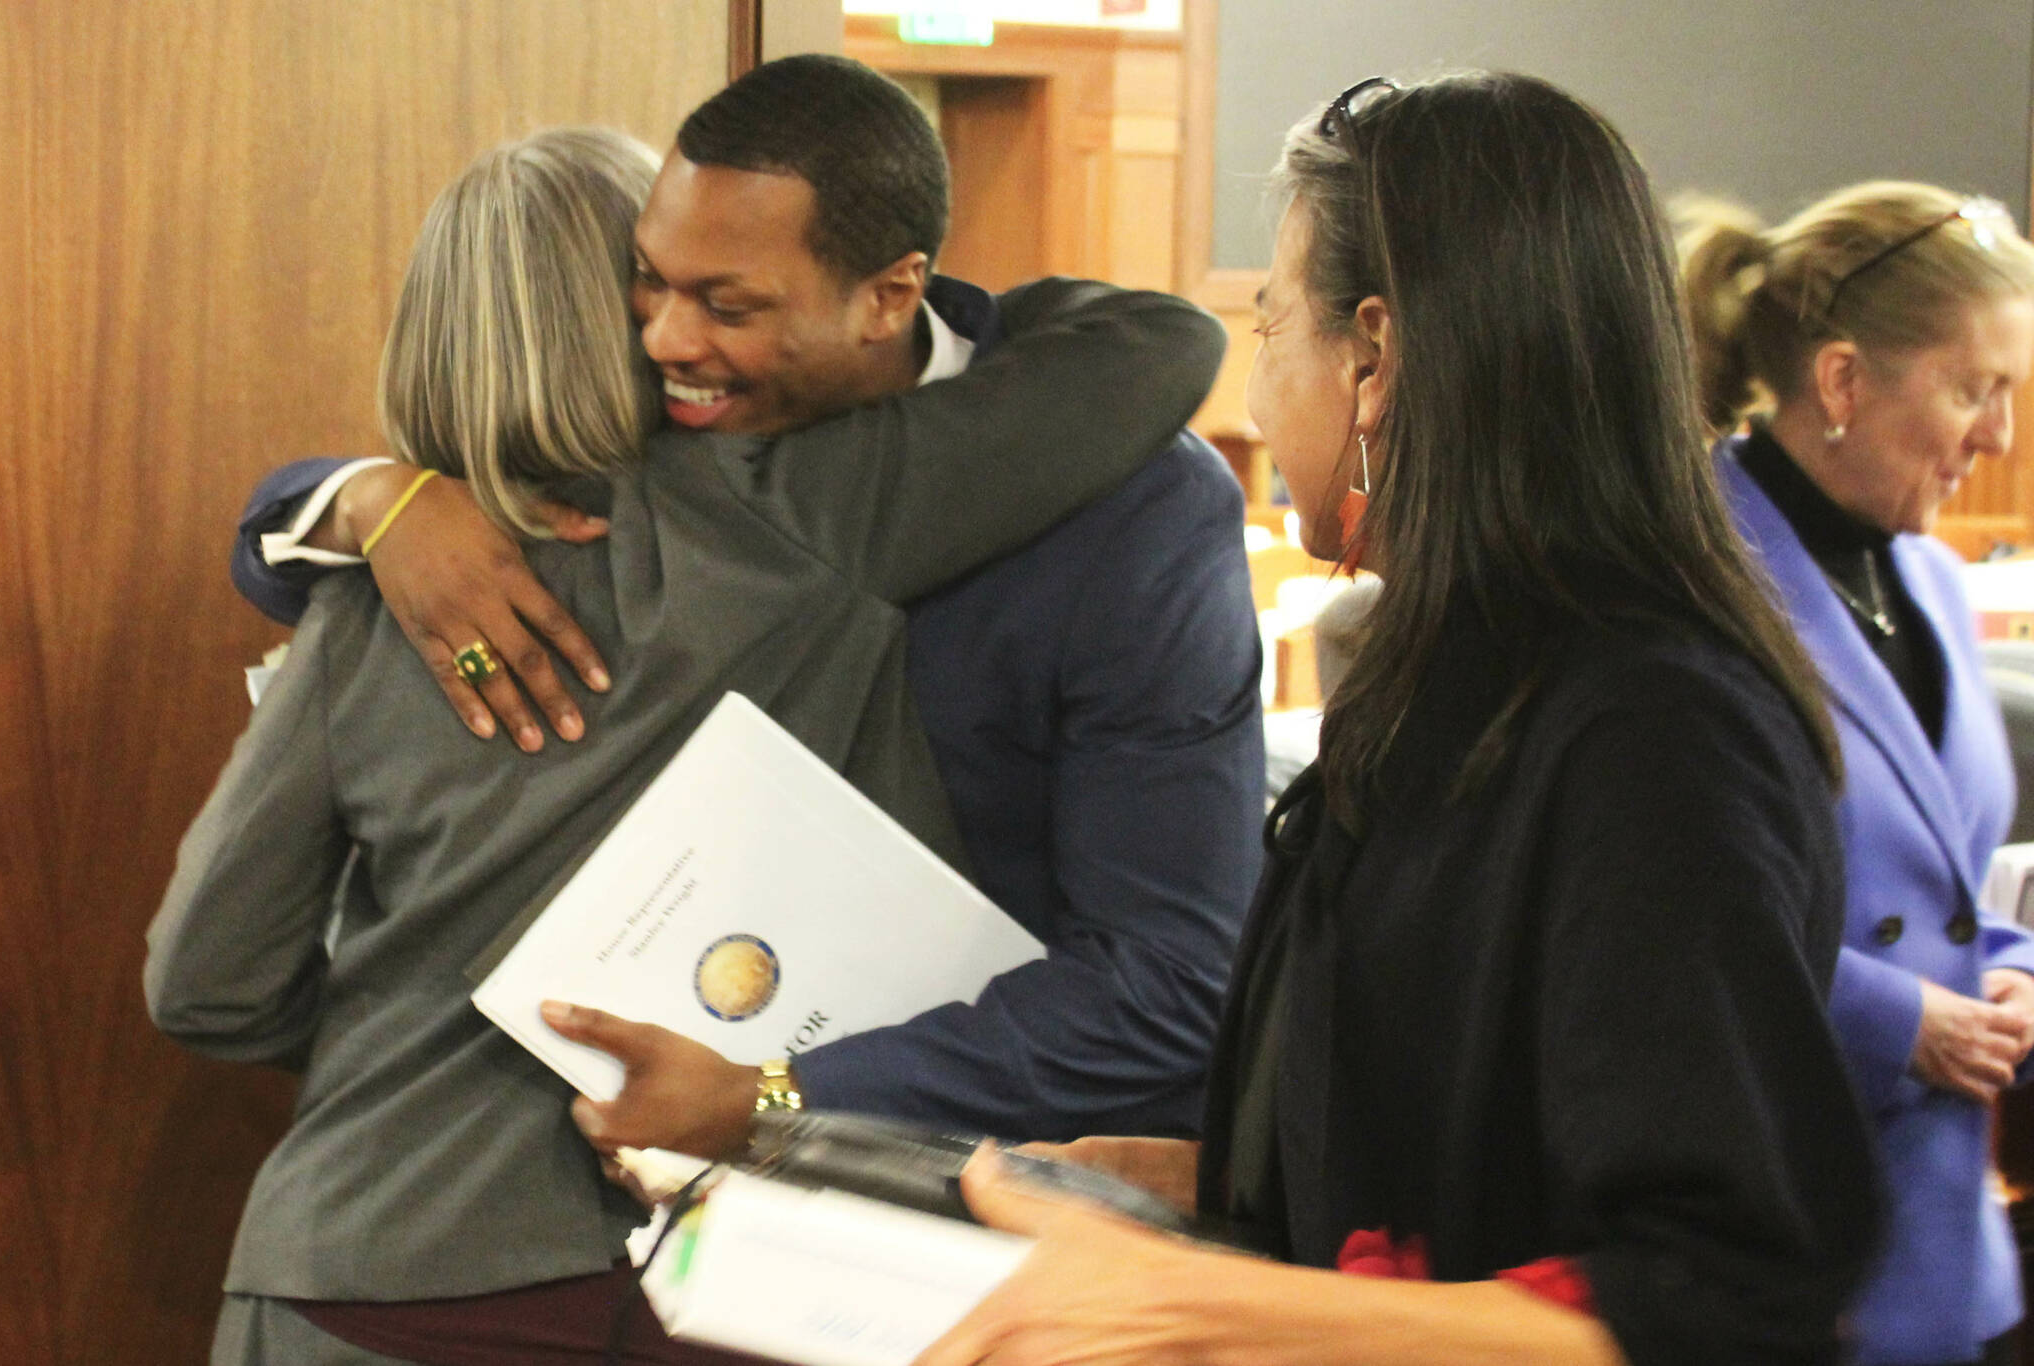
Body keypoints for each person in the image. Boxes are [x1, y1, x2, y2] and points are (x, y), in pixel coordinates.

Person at [146, 126, 1228, 1362]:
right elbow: (1157, 345)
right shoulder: (809, 519)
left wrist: (360, 496)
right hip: (735, 1270)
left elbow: (206, 983)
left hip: (382, 1249)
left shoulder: (364, 593)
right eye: (658, 283)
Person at [918, 71, 1880, 1366]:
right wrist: (1203, 1184)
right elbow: (1473, 1154)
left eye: (1272, 331)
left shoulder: (1655, 725)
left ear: (1372, 358)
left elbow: (1720, 1294)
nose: (1259, 396)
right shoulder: (1455, 673)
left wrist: (1194, 1303)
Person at [1682, 181, 2034, 1366]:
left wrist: (2014, 972)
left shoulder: (1928, 578)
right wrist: (1895, 1019)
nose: (1996, 435)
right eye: (1972, 388)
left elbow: (1948, 880)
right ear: (1839, 382)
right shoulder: (1687, 576)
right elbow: (1658, 913)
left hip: (1940, 1244)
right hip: (1775, 1228)